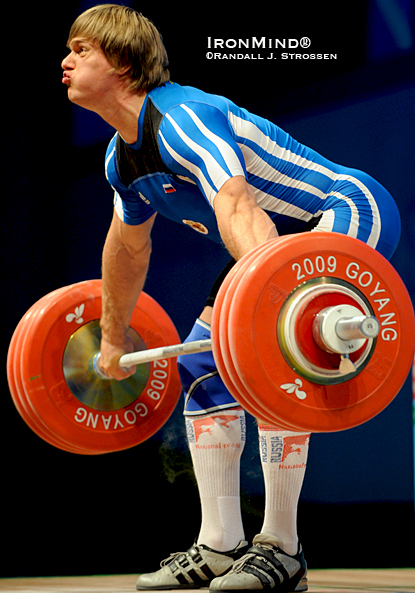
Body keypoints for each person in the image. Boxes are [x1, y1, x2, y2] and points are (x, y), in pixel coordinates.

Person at [62, 5, 401, 592]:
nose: (65, 61)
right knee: (199, 363)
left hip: (344, 213)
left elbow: (237, 207)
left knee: (267, 357)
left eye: (80, 50)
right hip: (276, 243)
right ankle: (219, 544)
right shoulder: (123, 159)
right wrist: (113, 340)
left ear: (120, 61)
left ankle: (282, 546)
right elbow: (126, 250)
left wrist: (265, 316)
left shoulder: (184, 118)